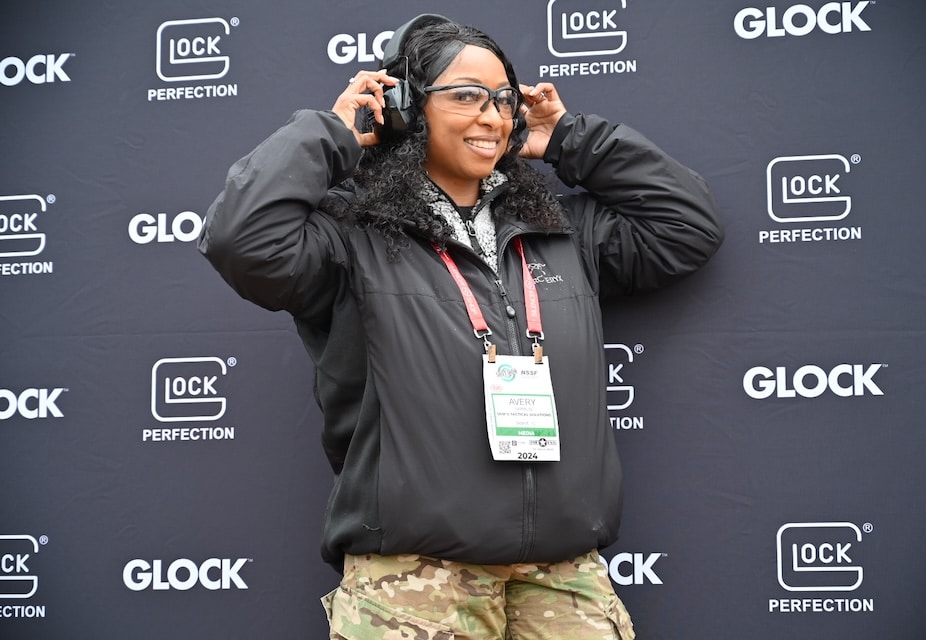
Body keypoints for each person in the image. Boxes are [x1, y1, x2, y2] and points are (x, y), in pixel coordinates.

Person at [200, 13, 722, 640]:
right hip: (413, 576)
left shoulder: (559, 227)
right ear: (406, 110)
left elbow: (687, 227)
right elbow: (241, 239)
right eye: (467, 96)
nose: (494, 116)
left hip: (561, 570)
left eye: (503, 99)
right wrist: (335, 132)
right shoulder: (348, 236)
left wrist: (568, 139)